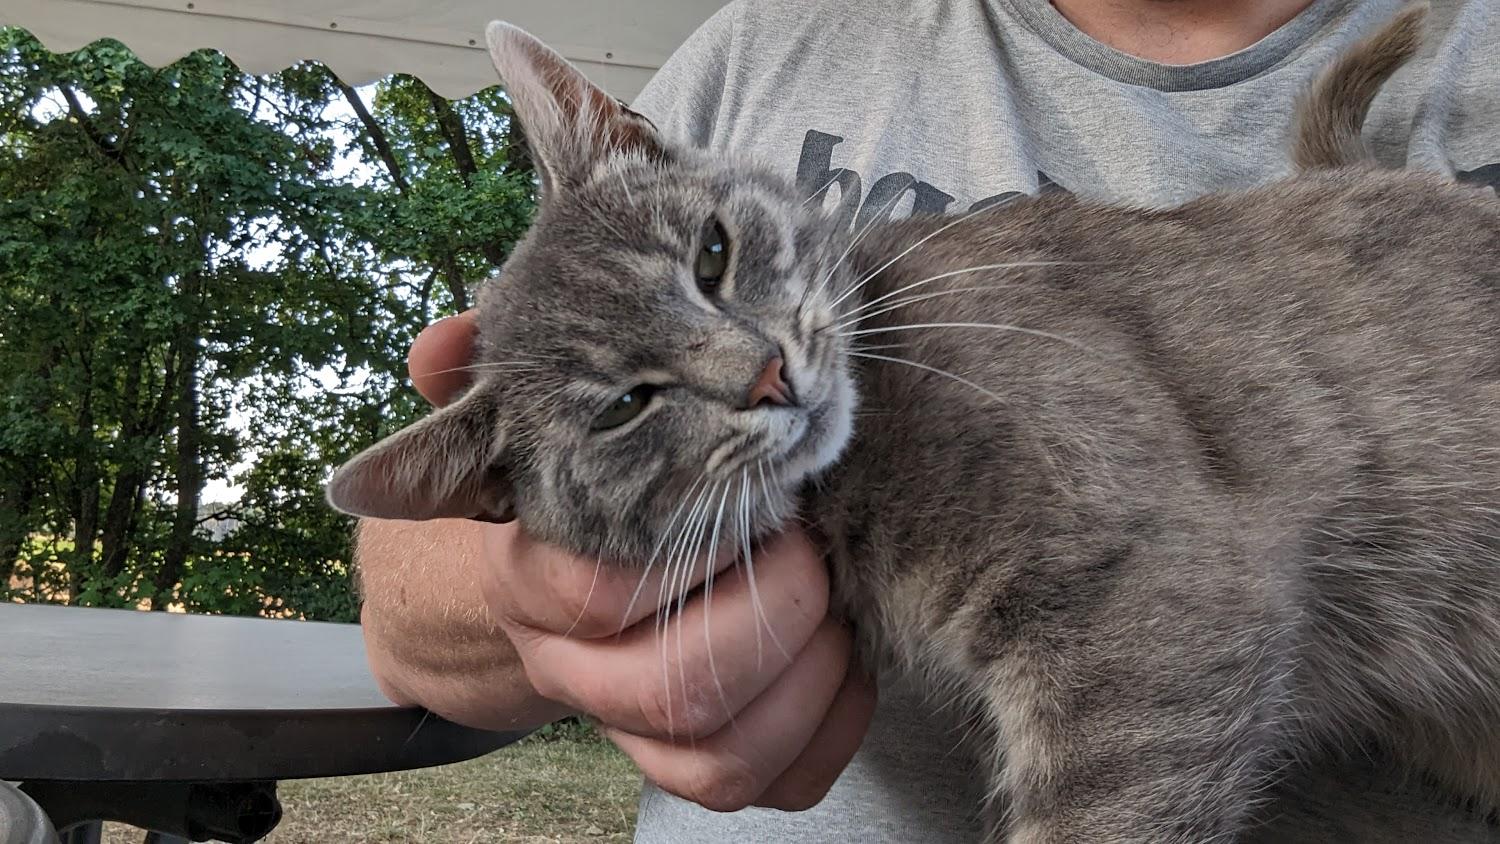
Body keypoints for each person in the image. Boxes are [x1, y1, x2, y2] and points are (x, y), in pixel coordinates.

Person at [355, 0, 1500, 840]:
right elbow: (401, 614)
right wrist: (526, 595)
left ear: (646, 153)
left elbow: (1170, 615)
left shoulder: (941, 332)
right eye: (630, 402)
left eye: (714, 260)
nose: (759, 370)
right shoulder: (770, 38)